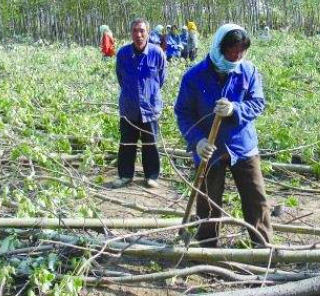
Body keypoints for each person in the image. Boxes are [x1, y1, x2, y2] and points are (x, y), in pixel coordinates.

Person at [174, 23, 273, 247]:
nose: (237, 56)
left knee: (256, 200)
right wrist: (197, 141)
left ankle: (263, 249)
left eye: (241, 51)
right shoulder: (194, 76)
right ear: (220, 47)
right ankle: (208, 247)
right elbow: (183, 113)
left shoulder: (248, 71)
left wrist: (235, 109)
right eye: (232, 51)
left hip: (243, 147)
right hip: (210, 149)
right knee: (207, 203)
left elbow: (257, 104)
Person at [113, 18, 167, 189]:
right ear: (131, 33)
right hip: (129, 108)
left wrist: (148, 94)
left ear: (148, 33)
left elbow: (161, 79)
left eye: (142, 30)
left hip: (150, 108)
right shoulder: (122, 54)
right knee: (126, 143)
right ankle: (125, 176)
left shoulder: (157, 53)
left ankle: (151, 176)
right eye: (135, 30)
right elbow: (121, 78)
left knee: (150, 144)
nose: (139, 34)